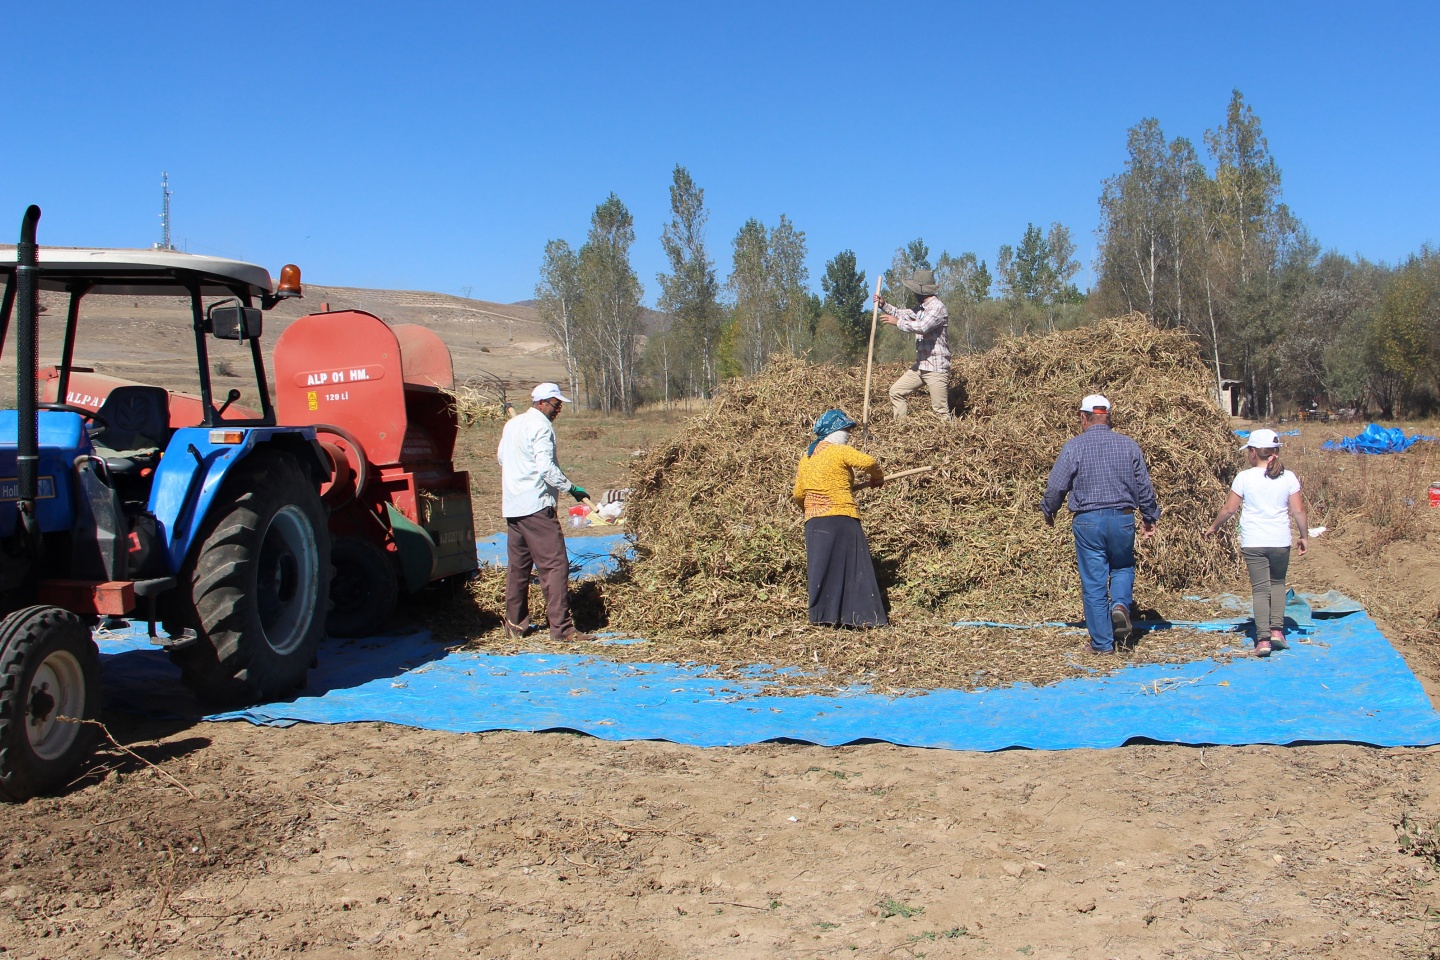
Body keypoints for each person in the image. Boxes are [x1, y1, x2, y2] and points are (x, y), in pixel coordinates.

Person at [1040, 394, 1160, 653]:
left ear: (1083, 418)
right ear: (1108, 417)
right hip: (1123, 518)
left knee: (1094, 581)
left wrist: (1049, 509)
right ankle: (1119, 606)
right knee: (1123, 566)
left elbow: (1057, 486)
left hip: (1088, 522)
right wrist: (1149, 517)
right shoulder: (1129, 446)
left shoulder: (1074, 446)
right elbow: (1144, 486)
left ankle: (1102, 644)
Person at [496, 382, 593, 642]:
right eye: (555, 403)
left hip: (514, 507)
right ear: (541, 402)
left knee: (518, 568)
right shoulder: (541, 427)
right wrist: (570, 487)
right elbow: (546, 468)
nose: (558, 408)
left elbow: (502, 459)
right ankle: (562, 630)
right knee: (555, 566)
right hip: (536, 506)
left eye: (559, 404)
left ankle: (515, 626)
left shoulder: (512, 425)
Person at [1204, 429, 1309, 657]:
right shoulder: (1288, 477)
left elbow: (1229, 509)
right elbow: (1298, 510)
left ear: (1253, 452)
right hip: (1280, 540)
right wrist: (1304, 535)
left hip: (1253, 542)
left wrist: (1214, 527)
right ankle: (1277, 632)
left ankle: (1262, 641)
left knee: (1260, 590)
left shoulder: (1244, 477)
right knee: (1278, 584)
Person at [792, 409, 888, 627]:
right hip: (841, 516)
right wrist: (878, 478)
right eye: (845, 430)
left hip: (814, 521)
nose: (848, 434)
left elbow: (798, 493)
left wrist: (811, 507)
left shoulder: (807, 457)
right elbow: (869, 462)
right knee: (853, 566)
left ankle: (824, 617)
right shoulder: (838, 451)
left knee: (823, 567)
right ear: (834, 432)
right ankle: (863, 617)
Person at [874, 268, 952, 420]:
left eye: (915, 290)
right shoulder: (921, 308)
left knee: (940, 411)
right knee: (896, 392)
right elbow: (904, 313)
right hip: (921, 366)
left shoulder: (937, 308)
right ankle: (901, 429)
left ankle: (948, 440)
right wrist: (884, 305)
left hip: (936, 368)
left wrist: (897, 323)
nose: (913, 293)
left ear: (922, 291)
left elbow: (923, 327)